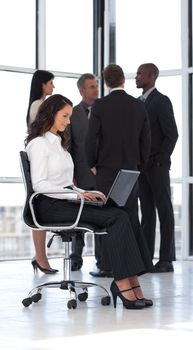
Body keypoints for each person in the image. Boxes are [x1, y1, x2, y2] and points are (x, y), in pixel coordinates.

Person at [25, 93, 153, 309]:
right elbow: (39, 185)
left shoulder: (59, 144)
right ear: (51, 113)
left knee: (120, 213)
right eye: (64, 116)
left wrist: (86, 192)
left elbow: (65, 182)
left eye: (69, 117)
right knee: (117, 217)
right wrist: (77, 195)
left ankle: (131, 281)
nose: (68, 121)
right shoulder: (39, 144)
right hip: (49, 207)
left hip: (65, 201)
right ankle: (124, 283)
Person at [86, 64, 152, 278]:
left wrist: (91, 163)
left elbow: (91, 139)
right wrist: (139, 164)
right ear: (123, 79)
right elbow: (146, 140)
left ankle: (107, 265)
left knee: (107, 216)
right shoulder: (138, 105)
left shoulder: (99, 106)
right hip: (130, 169)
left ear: (106, 83)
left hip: (106, 170)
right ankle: (135, 264)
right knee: (130, 215)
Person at [135, 63, 178, 272]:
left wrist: (161, 159)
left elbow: (172, 134)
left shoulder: (161, 101)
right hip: (141, 167)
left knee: (164, 211)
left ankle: (166, 259)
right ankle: (145, 259)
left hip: (158, 166)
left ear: (152, 76)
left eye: (140, 73)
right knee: (147, 213)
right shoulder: (136, 103)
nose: (136, 76)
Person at [26, 69, 57, 274]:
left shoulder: (38, 104)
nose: (53, 87)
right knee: (38, 206)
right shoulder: (38, 105)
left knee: (39, 207)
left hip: (43, 159)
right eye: (51, 83)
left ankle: (40, 257)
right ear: (42, 84)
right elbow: (43, 131)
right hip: (42, 161)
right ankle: (40, 257)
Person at [69, 73, 99, 271]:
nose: (96, 89)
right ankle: (75, 255)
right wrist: (70, 173)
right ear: (82, 90)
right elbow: (70, 145)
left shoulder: (104, 110)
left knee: (100, 215)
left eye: (96, 85)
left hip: (102, 172)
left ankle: (103, 258)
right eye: (91, 86)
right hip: (80, 172)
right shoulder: (73, 113)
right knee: (79, 215)